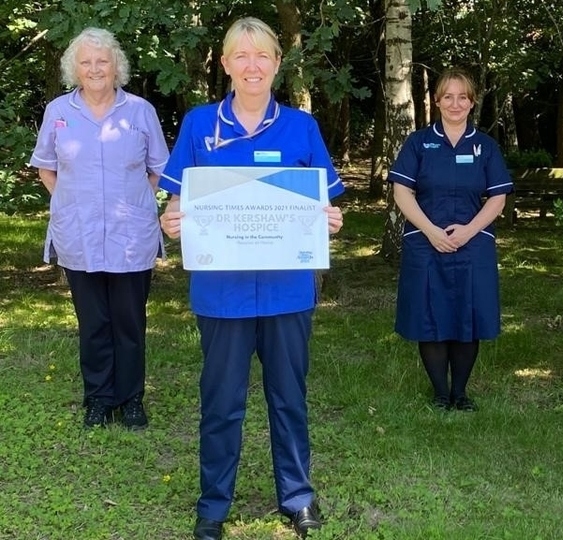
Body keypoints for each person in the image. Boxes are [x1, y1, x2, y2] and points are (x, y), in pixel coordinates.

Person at [156, 17, 344, 540]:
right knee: (221, 403)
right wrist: (171, 220)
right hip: (222, 293)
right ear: (225, 65)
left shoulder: (301, 127)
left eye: (262, 55)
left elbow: (324, 200)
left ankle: (298, 496)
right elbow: (177, 201)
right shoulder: (199, 124)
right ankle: (213, 504)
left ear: (278, 64)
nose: (252, 65)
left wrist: (330, 218)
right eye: (241, 56)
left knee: (289, 396)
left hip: (288, 290)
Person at [29, 27, 169, 430]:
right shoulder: (58, 111)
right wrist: (70, 201)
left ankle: (131, 401)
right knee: (93, 323)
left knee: (129, 321)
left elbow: (157, 169)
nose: (94, 69)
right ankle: (98, 399)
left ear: (116, 67)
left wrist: (132, 203)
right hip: (79, 232)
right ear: (74, 68)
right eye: (86, 62)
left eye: (102, 61)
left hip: (131, 234)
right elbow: (46, 168)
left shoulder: (140, 111)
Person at [387, 68, 513, 411]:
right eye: (447, 96)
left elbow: (498, 198)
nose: (455, 103)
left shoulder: (485, 147)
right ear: (437, 101)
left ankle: (460, 392)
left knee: (467, 318)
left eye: (462, 97)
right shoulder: (418, 143)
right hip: (426, 244)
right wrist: (430, 231)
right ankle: (440, 393)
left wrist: (468, 231)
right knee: (430, 319)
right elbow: (402, 191)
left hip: (472, 247)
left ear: (472, 103)